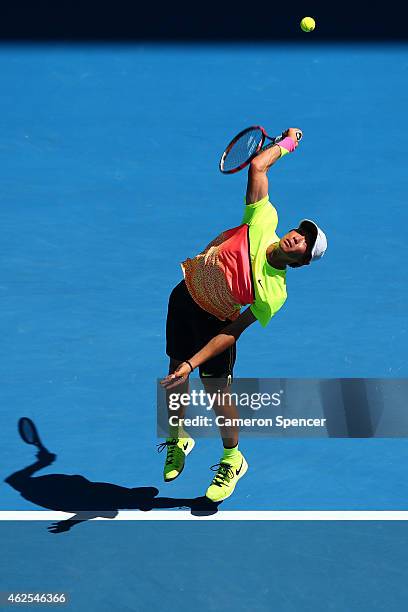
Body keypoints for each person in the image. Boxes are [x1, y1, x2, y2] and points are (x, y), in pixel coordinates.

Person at [160, 127, 327, 503]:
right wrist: (286, 144)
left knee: (217, 393)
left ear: (300, 261)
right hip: (184, 297)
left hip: (216, 324)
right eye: (300, 232)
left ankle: (233, 458)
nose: (297, 237)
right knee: (174, 378)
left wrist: (194, 362)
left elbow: (233, 330)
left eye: (304, 242)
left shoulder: (274, 292)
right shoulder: (262, 218)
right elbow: (257, 168)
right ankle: (178, 437)